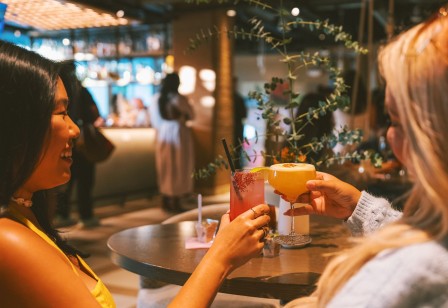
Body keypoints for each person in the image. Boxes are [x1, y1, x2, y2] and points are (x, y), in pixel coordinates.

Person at [281, 1, 448, 306]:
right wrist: (358, 207)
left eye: (395, 120)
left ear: (444, 137)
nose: (391, 136)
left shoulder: (406, 278)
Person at [0, 39, 271, 307]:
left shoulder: (23, 214)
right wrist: (221, 257)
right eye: (60, 112)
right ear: (15, 124)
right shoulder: (9, 240)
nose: (74, 129)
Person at [54, 62, 102, 228]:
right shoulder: (82, 91)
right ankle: (86, 216)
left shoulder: (57, 91)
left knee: (65, 182)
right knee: (85, 181)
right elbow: (95, 114)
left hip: (64, 145)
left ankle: (62, 214)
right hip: (82, 144)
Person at [149, 72, 195, 213]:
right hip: (178, 135)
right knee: (178, 167)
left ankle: (166, 198)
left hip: (163, 134)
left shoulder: (156, 99)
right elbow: (192, 115)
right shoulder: (178, 99)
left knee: (166, 167)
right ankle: (174, 200)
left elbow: (154, 120)